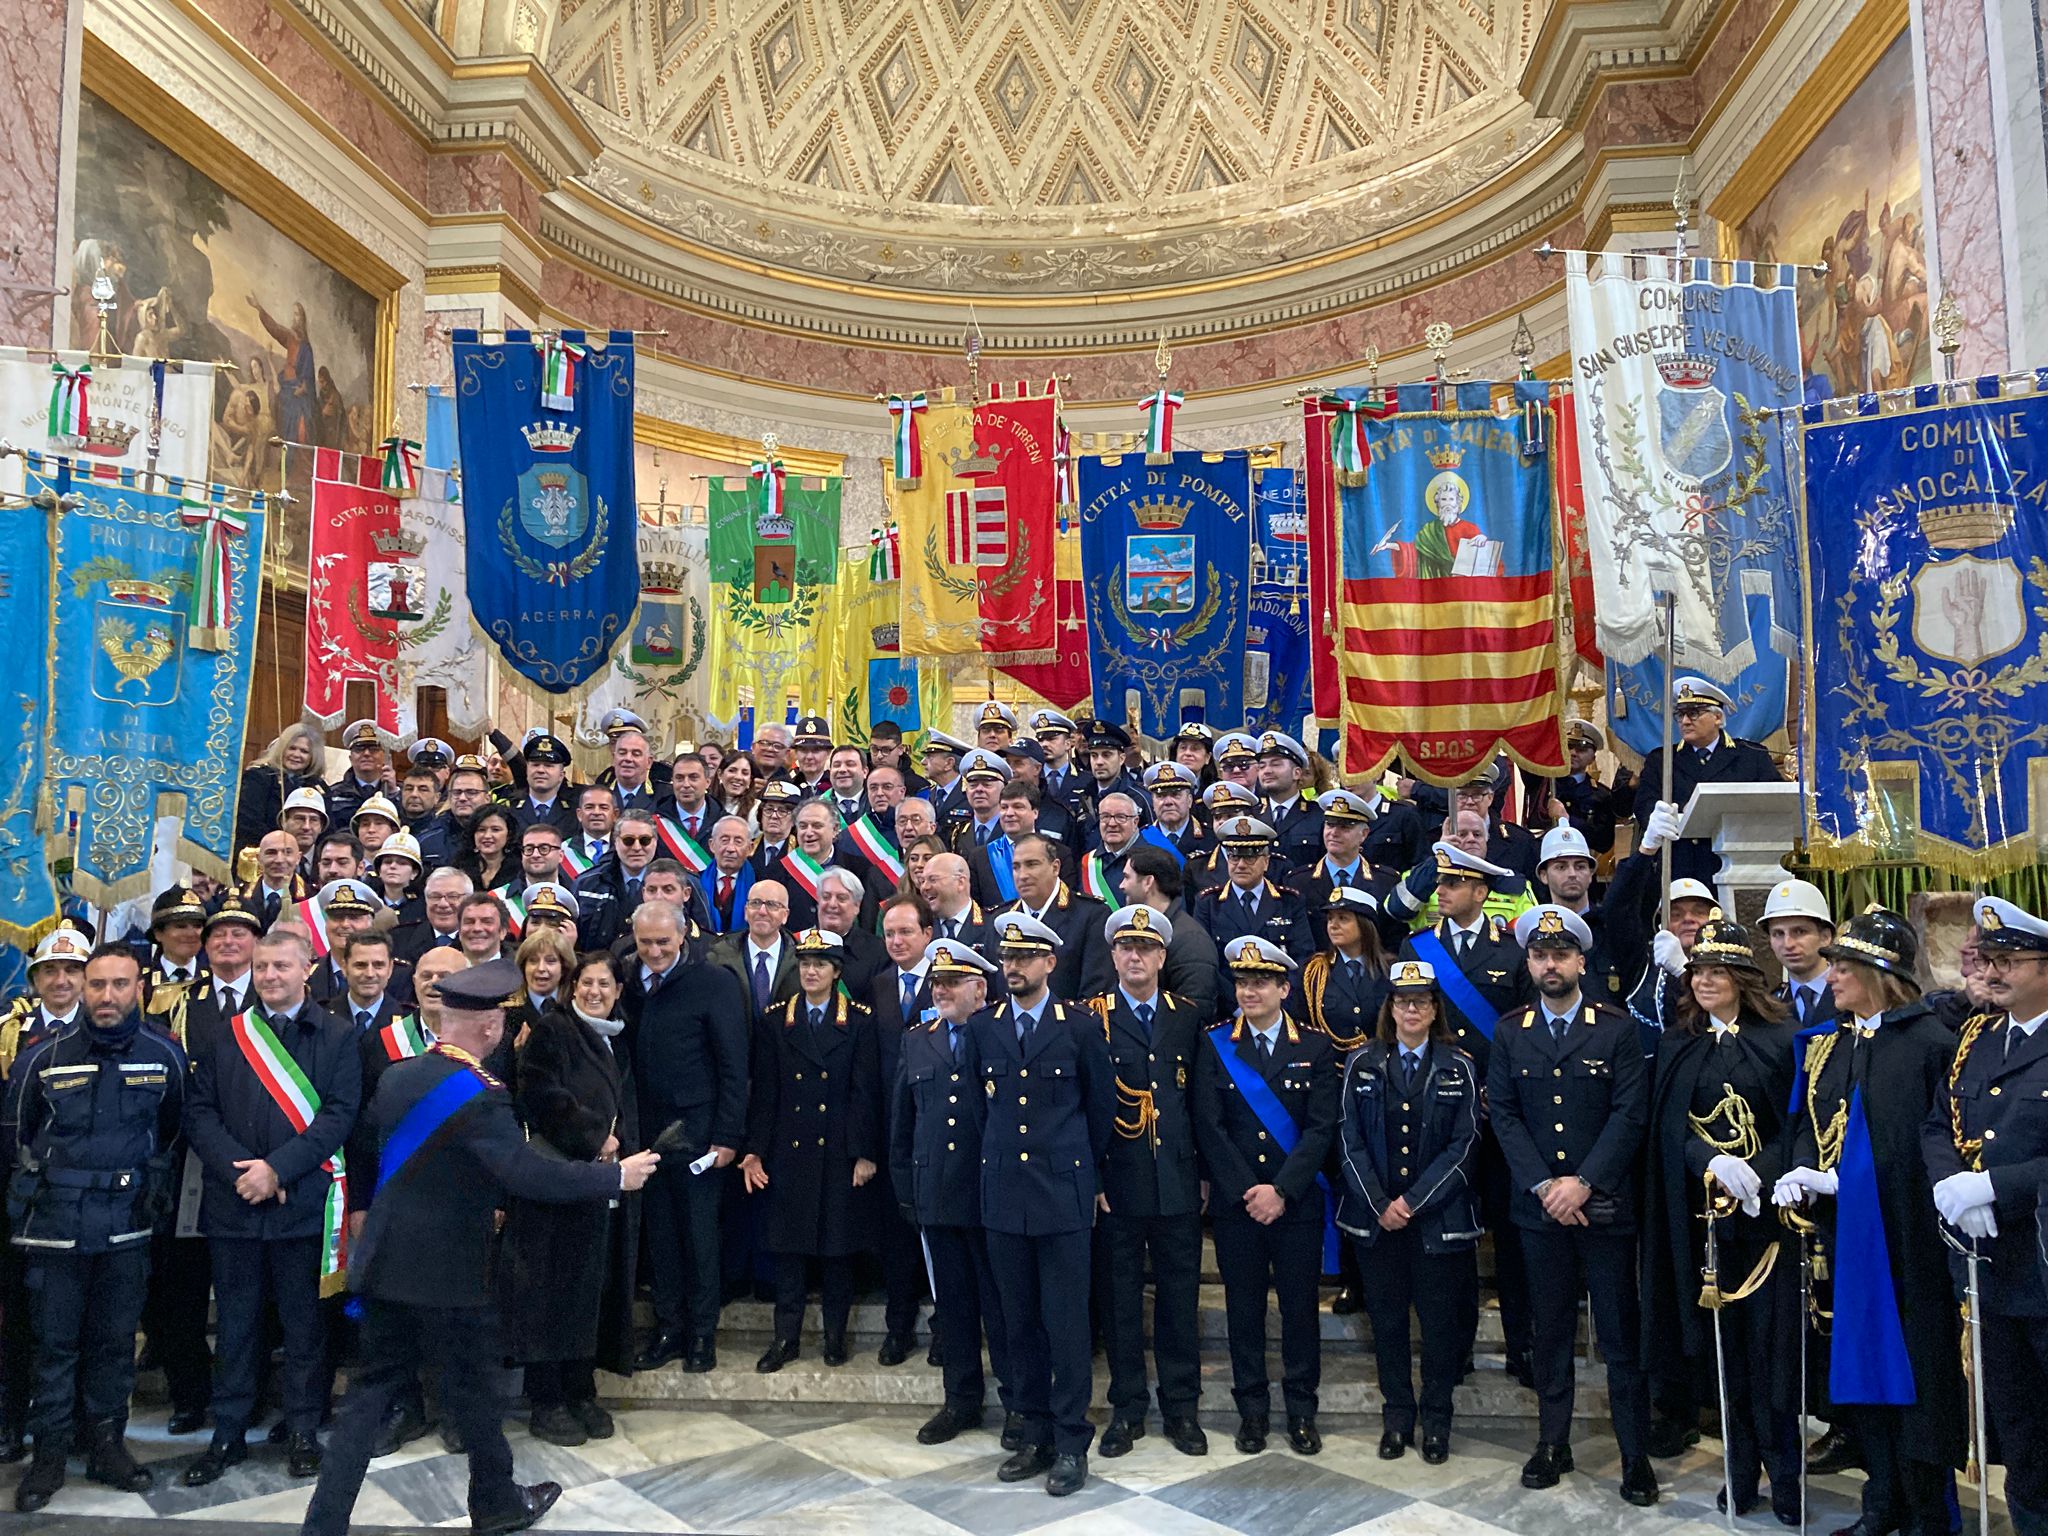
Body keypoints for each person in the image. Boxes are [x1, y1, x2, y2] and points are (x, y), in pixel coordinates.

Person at [298, 956, 660, 1536]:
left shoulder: (400, 1075)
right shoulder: (480, 1094)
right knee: (473, 1390)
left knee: (382, 1401)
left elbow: (373, 1151)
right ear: (490, 1028)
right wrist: (614, 1177)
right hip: (450, 1278)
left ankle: (329, 1522)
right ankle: (494, 1504)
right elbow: (525, 1174)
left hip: (387, 1265)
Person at [1775, 909, 1963, 1536]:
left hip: (1910, 1245)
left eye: (1845, 968)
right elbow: (1807, 1123)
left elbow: (1940, 1143)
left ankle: (1928, 1512)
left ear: (1881, 975)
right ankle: (1880, 1501)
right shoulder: (1832, 1043)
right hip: (1844, 1241)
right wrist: (1804, 1171)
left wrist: (1855, 1181)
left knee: (1917, 1376)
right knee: (1858, 1373)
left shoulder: (1932, 1044)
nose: (1833, 979)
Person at [2, 944, 185, 1512]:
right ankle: (50, 1453)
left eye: (119, 984)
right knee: (54, 1348)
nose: (107, 996)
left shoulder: (165, 1054)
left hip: (127, 1226)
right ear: (82, 988)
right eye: (97, 984)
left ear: (140, 988)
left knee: (112, 1343)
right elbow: (15, 1136)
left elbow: (173, 1130)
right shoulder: (41, 1056)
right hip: (54, 1228)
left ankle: (107, 1443)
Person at [1489, 905, 1657, 1507]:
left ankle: (1634, 1455)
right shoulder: (1510, 1030)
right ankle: (1552, 1443)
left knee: (1618, 1335)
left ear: (1581, 961)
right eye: (1539, 955)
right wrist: (1545, 1186)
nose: (1550, 964)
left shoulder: (1615, 1027)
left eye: (1560, 954)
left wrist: (1582, 1183)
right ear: (1529, 962)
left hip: (1604, 1206)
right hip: (1539, 1211)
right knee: (1551, 1329)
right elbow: (1503, 1116)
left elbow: (1630, 1113)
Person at [184, 928, 360, 1485]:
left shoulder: (336, 1035)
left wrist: (278, 1170)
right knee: (236, 1326)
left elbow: (339, 1115)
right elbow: (199, 1114)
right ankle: (228, 1432)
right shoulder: (223, 1034)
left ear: (307, 969)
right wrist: (247, 1173)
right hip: (235, 1204)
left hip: (302, 1204)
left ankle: (305, 1429)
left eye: (282, 966)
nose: (270, 976)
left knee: (305, 1328)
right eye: (262, 967)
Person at [1639, 915, 1799, 1522]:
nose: (1704, 981)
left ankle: (1786, 1474)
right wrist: (1711, 1161)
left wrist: (1759, 1168)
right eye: (1698, 971)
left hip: (1770, 1230)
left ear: (1742, 978)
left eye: (1717, 971)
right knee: (1725, 1359)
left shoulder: (1782, 1042)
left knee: (1774, 1358)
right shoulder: (1680, 1044)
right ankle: (1740, 1472)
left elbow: (1801, 1126)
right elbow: (1668, 1129)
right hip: (1705, 1230)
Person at [969, 912, 1113, 1497]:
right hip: (1004, 1195)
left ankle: (1071, 1440)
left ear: (1049, 963)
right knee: (1017, 1321)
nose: (1014, 967)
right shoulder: (984, 1027)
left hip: (1063, 1196)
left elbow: (1100, 1114)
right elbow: (983, 1113)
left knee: (1066, 1324)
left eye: (1026, 958)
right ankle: (1032, 1433)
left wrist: (1074, 1165)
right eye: (1008, 958)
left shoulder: (1079, 1028)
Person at [1923, 895, 2048, 1536]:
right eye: (1988, 959)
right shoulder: (1976, 1037)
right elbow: (1938, 1121)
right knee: (2018, 1424)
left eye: (2010, 961)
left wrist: (1995, 1186)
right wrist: (1951, 1182)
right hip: (1989, 1273)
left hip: (2043, 1262)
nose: (1992, 971)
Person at [1192, 935, 1341, 1458]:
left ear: (1284, 987)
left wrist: (1281, 1190)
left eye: (1260, 982)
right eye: (1242, 982)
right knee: (1244, 1310)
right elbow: (1209, 1127)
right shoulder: (1215, 1044)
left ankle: (1301, 1410)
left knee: (1301, 1311)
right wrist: (1248, 1192)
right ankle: (1251, 1411)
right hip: (1239, 1206)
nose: (1249, 991)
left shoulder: (1316, 1047)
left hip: (1296, 1203)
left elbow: (1323, 1129)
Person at [1334, 958, 1480, 1465]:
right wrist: (1380, 1204)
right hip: (1377, 1223)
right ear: (1390, 1008)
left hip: (1436, 1223)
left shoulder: (1458, 1066)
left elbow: (1465, 1146)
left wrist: (1413, 1202)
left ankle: (1436, 1421)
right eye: (1402, 1001)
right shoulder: (1363, 1063)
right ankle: (1397, 1418)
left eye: (1421, 1000)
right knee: (1389, 1326)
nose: (1411, 1009)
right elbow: (1349, 1139)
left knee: (1440, 1328)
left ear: (1434, 1008)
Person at [504, 950, 640, 1447]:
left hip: (601, 1184)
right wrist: (595, 1137)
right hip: (558, 1181)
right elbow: (540, 1095)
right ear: (572, 986)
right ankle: (548, 1399)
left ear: (618, 991)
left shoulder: (615, 1039)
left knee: (589, 1293)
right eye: (587, 983)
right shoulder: (554, 1030)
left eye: (605, 984)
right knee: (552, 1293)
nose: (595, 992)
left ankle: (582, 1390)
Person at [1088, 905, 1208, 1459]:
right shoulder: (1092, 1017)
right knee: (1119, 1300)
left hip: (1178, 1181)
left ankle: (1181, 1408)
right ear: (1113, 955)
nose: (1135, 956)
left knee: (1180, 1297)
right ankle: (1127, 1407)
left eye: (1146, 947)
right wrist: (1092, 1178)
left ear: (1163, 955)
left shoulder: (1186, 1017)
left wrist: (1204, 1173)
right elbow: (1085, 1106)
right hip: (1119, 1183)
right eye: (1125, 948)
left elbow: (1198, 1104)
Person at [889, 937, 1016, 1446]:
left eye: (951, 982)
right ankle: (960, 1400)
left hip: (991, 1199)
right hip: (937, 1195)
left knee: (1005, 1310)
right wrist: (908, 1191)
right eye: (936, 982)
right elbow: (904, 1122)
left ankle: (1018, 1404)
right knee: (955, 1310)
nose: (939, 990)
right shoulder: (918, 1038)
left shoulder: (1001, 1033)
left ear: (979, 987)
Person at [739, 929, 881, 1372]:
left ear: (836, 972)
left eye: (820, 964)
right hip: (789, 1150)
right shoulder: (777, 1019)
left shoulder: (857, 1021)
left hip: (838, 1151)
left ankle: (835, 1338)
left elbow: (865, 1093)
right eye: (804, 964)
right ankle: (786, 1338)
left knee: (837, 1253)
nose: (811, 971)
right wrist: (755, 1151)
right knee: (789, 1251)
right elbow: (766, 1092)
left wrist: (864, 1153)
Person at [627, 902, 748, 1374]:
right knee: (660, 1239)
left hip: (699, 1136)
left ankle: (702, 1334)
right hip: (645, 1137)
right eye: (645, 943)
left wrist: (728, 1135)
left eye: (663, 942)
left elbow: (734, 1066)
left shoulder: (715, 983)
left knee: (700, 1239)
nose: (654, 951)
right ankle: (668, 1329)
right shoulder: (627, 982)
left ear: (683, 937)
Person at [1630, 677, 1782, 884]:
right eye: (1680, 714)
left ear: (1717, 718)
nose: (1684, 722)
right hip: (1681, 863)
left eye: (1693, 714)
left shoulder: (1751, 756)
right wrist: (1665, 819)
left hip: (1737, 862)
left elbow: (1774, 801)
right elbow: (1644, 805)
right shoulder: (1662, 760)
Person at [239, 724, 327, 855]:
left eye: (304, 751)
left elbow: (327, 828)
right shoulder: (259, 777)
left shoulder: (319, 787)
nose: (296, 755)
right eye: (292, 748)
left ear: (313, 756)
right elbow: (249, 822)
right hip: (264, 853)